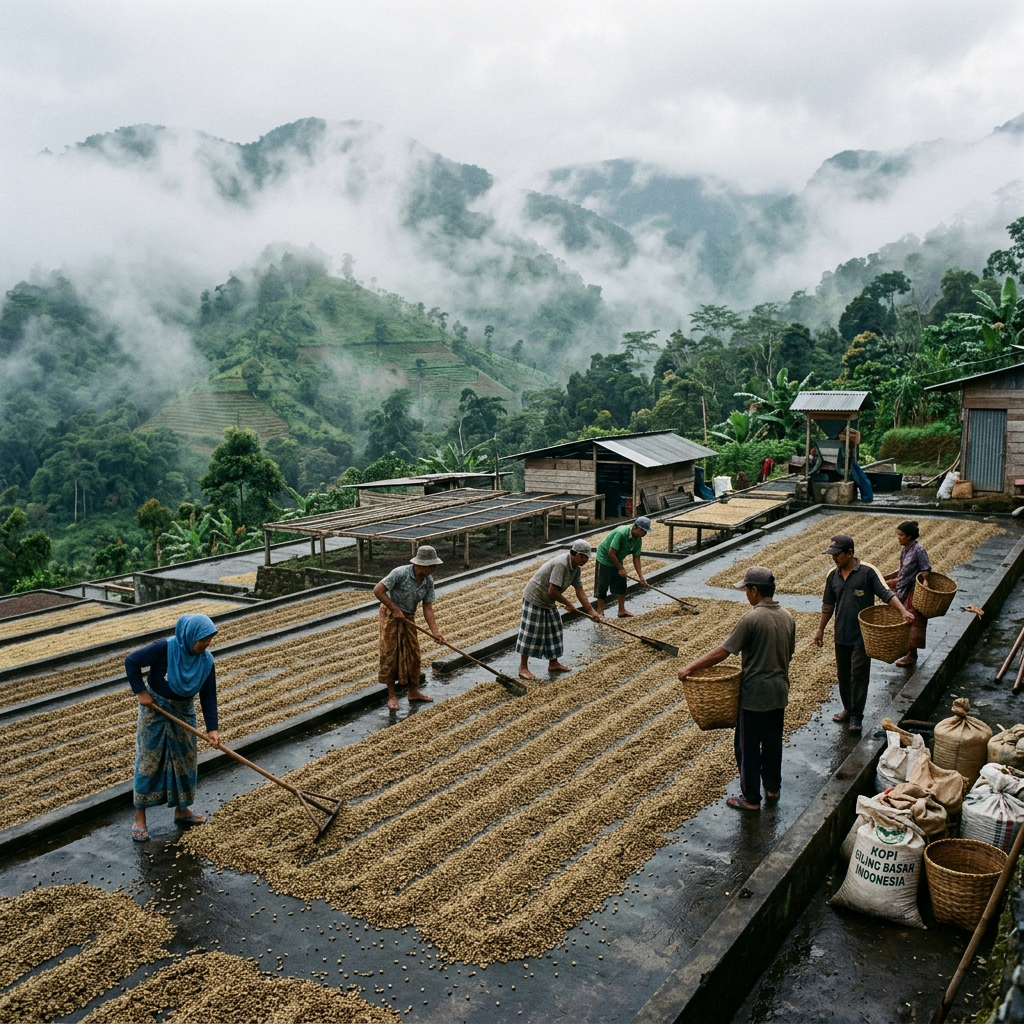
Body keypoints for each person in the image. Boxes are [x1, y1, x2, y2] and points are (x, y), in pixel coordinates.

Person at [677, 566, 795, 812]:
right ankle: (772, 787)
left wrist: (690, 667)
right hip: (779, 691)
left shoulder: (751, 619)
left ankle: (750, 798)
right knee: (772, 742)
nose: (746, 595)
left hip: (754, 695)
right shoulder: (787, 616)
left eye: (747, 590)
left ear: (754, 590)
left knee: (747, 747)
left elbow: (723, 651)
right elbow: (789, 652)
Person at [126, 613, 220, 842]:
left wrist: (212, 729)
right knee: (149, 760)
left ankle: (182, 810)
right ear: (190, 636)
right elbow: (131, 661)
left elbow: (208, 696)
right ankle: (140, 818)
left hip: (184, 711)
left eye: (208, 641)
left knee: (185, 759)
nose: (205, 645)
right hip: (155, 710)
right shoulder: (165, 648)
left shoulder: (206, 661)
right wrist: (141, 692)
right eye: (202, 641)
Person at [812, 533, 915, 734]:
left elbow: (886, 594)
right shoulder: (832, 575)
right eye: (832, 554)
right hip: (841, 634)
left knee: (858, 674)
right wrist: (820, 629)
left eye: (837, 554)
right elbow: (828, 605)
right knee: (843, 675)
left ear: (850, 553)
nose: (834, 558)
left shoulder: (867, 572)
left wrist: (903, 611)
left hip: (863, 635)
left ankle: (856, 717)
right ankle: (848, 709)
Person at [517, 539, 605, 680]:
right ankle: (523, 667)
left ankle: (553, 663)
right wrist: (569, 604)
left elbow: (579, 590)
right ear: (577, 555)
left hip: (548, 600)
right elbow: (552, 591)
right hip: (535, 597)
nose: (586, 560)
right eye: (585, 557)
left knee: (554, 629)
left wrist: (592, 612)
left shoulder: (575, 568)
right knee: (531, 632)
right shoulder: (561, 564)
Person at [373, 545, 446, 712]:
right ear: (420, 564)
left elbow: (428, 607)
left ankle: (413, 692)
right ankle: (392, 696)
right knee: (390, 655)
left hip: (409, 617)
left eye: (434, 565)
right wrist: (395, 609)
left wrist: (435, 632)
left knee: (414, 654)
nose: (434, 569)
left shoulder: (428, 581)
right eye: (431, 566)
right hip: (391, 616)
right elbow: (378, 590)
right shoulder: (400, 573)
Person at [884, 520, 931, 668]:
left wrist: (925, 581)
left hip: (914, 590)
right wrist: (885, 577)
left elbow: (925, 569)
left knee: (912, 621)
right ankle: (907, 651)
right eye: (898, 534)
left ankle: (912, 655)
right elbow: (902, 570)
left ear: (909, 536)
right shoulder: (905, 549)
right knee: (904, 621)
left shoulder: (919, 549)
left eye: (901, 535)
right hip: (903, 588)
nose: (898, 537)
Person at [594, 516, 652, 618]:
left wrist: (641, 577)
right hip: (604, 557)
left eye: (646, 532)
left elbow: (636, 557)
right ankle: (600, 612)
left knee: (621, 584)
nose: (645, 534)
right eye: (643, 531)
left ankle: (621, 610)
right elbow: (611, 553)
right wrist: (621, 568)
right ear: (635, 527)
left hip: (617, 557)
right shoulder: (621, 533)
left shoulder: (638, 539)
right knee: (602, 585)